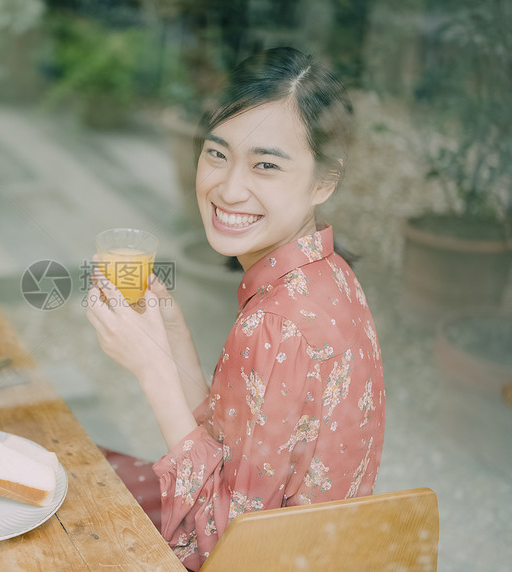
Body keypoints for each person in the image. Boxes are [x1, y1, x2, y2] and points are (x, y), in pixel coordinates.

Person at [85, 46, 385, 571]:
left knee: (72, 490)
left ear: (325, 181)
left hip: (254, 559)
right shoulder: (328, 277)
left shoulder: (276, 323)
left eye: (265, 165)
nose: (228, 187)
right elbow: (241, 448)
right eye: (217, 153)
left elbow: (217, 545)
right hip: (309, 553)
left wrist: (151, 371)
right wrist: (171, 336)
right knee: (81, 471)